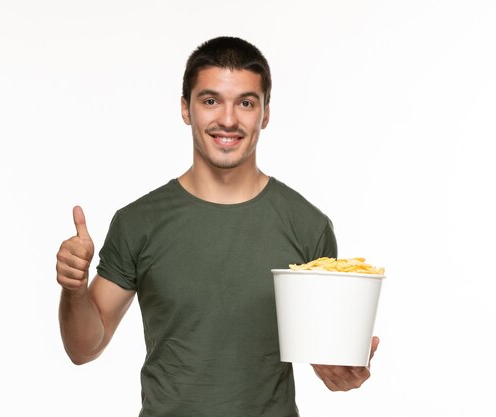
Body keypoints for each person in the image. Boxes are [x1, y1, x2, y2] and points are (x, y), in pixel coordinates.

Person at [56, 36, 379, 416]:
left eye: (245, 102)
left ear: (266, 113)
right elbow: (84, 348)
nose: (228, 119)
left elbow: (328, 358)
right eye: (210, 101)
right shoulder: (138, 222)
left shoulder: (308, 226)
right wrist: (74, 290)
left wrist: (343, 372)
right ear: (186, 109)